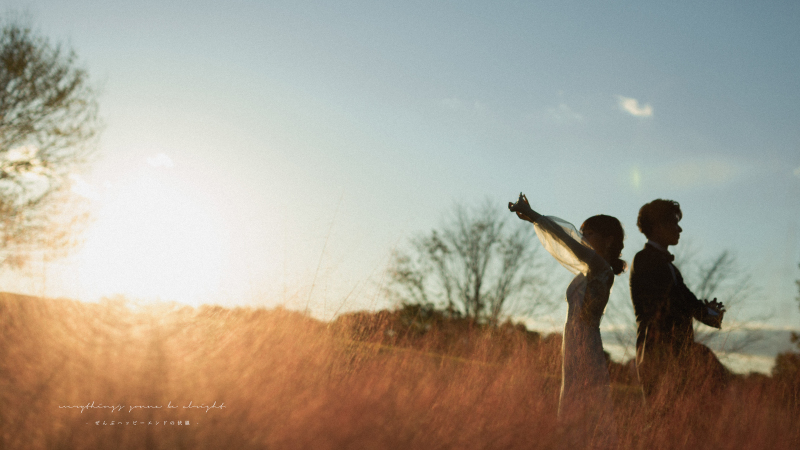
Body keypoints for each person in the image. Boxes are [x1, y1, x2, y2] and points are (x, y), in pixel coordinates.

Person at [509, 193, 624, 445]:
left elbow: (566, 239)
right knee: (573, 413)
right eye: (581, 232)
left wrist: (535, 216)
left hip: (586, 347)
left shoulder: (602, 269)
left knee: (586, 414)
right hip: (573, 345)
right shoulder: (588, 271)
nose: (582, 237)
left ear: (608, 240)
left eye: (588, 233)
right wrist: (534, 220)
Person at [629, 199, 730, 408]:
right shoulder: (644, 259)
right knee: (662, 416)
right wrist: (702, 311)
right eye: (674, 223)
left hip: (677, 357)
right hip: (657, 356)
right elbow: (668, 304)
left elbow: (686, 300)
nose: (680, 229)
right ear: (658, 226)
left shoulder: (670, 267)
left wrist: (710, 313)